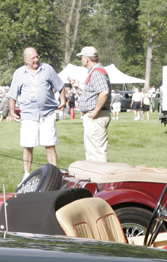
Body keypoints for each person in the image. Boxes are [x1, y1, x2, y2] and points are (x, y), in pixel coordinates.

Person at [6, 47, 66, 181]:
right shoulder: (19, 73)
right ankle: (27, 174)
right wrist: (12, 111)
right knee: (28, 146)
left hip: (47, 114)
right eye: (33, 58)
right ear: (25, 60)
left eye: (37, 57)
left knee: (50, 145)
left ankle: (53, 174)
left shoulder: (47, 69)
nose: (36, 60)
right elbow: (12, 95)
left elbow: (60, 86)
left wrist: (63, 100)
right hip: (28, 115)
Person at [75, 47, 111, 163]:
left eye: (81, 57)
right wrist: (78, 85)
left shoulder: (97, 72)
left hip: (96, 116)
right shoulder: (96, 71)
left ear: (86, 59)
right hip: (96, 115)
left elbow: (104, 92)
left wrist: (95, 110)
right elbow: (94, 90)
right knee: (92, 151)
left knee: (96, 153)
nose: (81, 60)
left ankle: (100, 179)